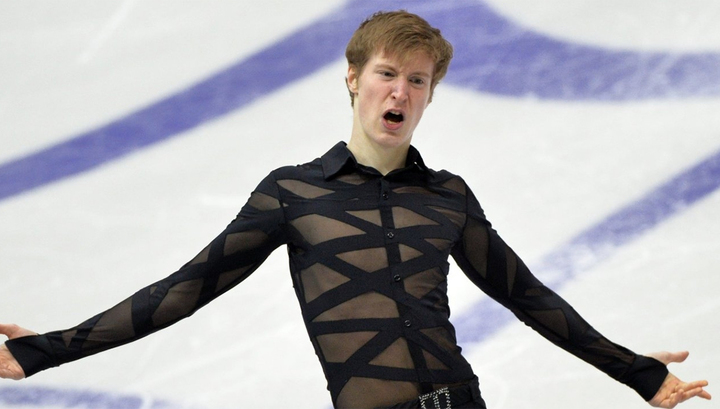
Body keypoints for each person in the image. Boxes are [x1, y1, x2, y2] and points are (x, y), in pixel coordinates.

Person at [0, 10, 712, 409]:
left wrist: (635, 371)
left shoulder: (448, 196)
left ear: (429, 95)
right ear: (352, 78)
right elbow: (184, 291)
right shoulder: (292, 193)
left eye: (417, 81)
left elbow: (527, 296)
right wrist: (46, 349)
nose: (400, 92)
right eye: (386, 74)